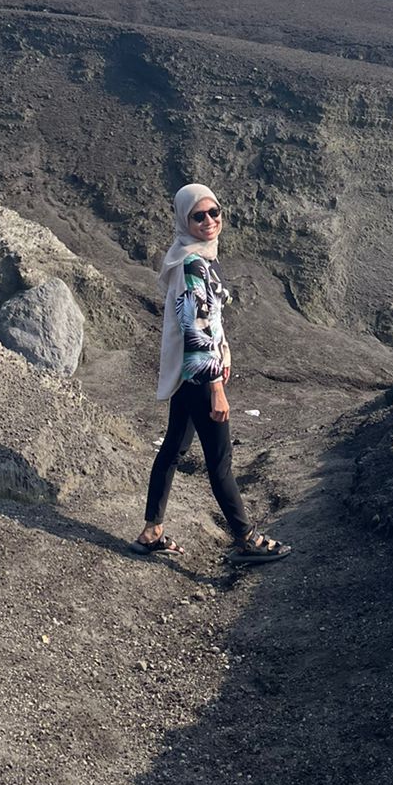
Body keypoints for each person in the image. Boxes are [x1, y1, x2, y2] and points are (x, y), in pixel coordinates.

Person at [132, 182, 291, 564]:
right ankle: (245, 538)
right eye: (198, 216)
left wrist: (226, 348)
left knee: (172, 450)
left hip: (192, 376)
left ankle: (151, 531)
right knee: (219, 462)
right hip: (201, 376)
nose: (209, 221)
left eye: (214, 212)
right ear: (183, 220)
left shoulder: (191, 255)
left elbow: (210, 319)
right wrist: (216, 386)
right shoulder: (192, 264)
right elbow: (194, 329)